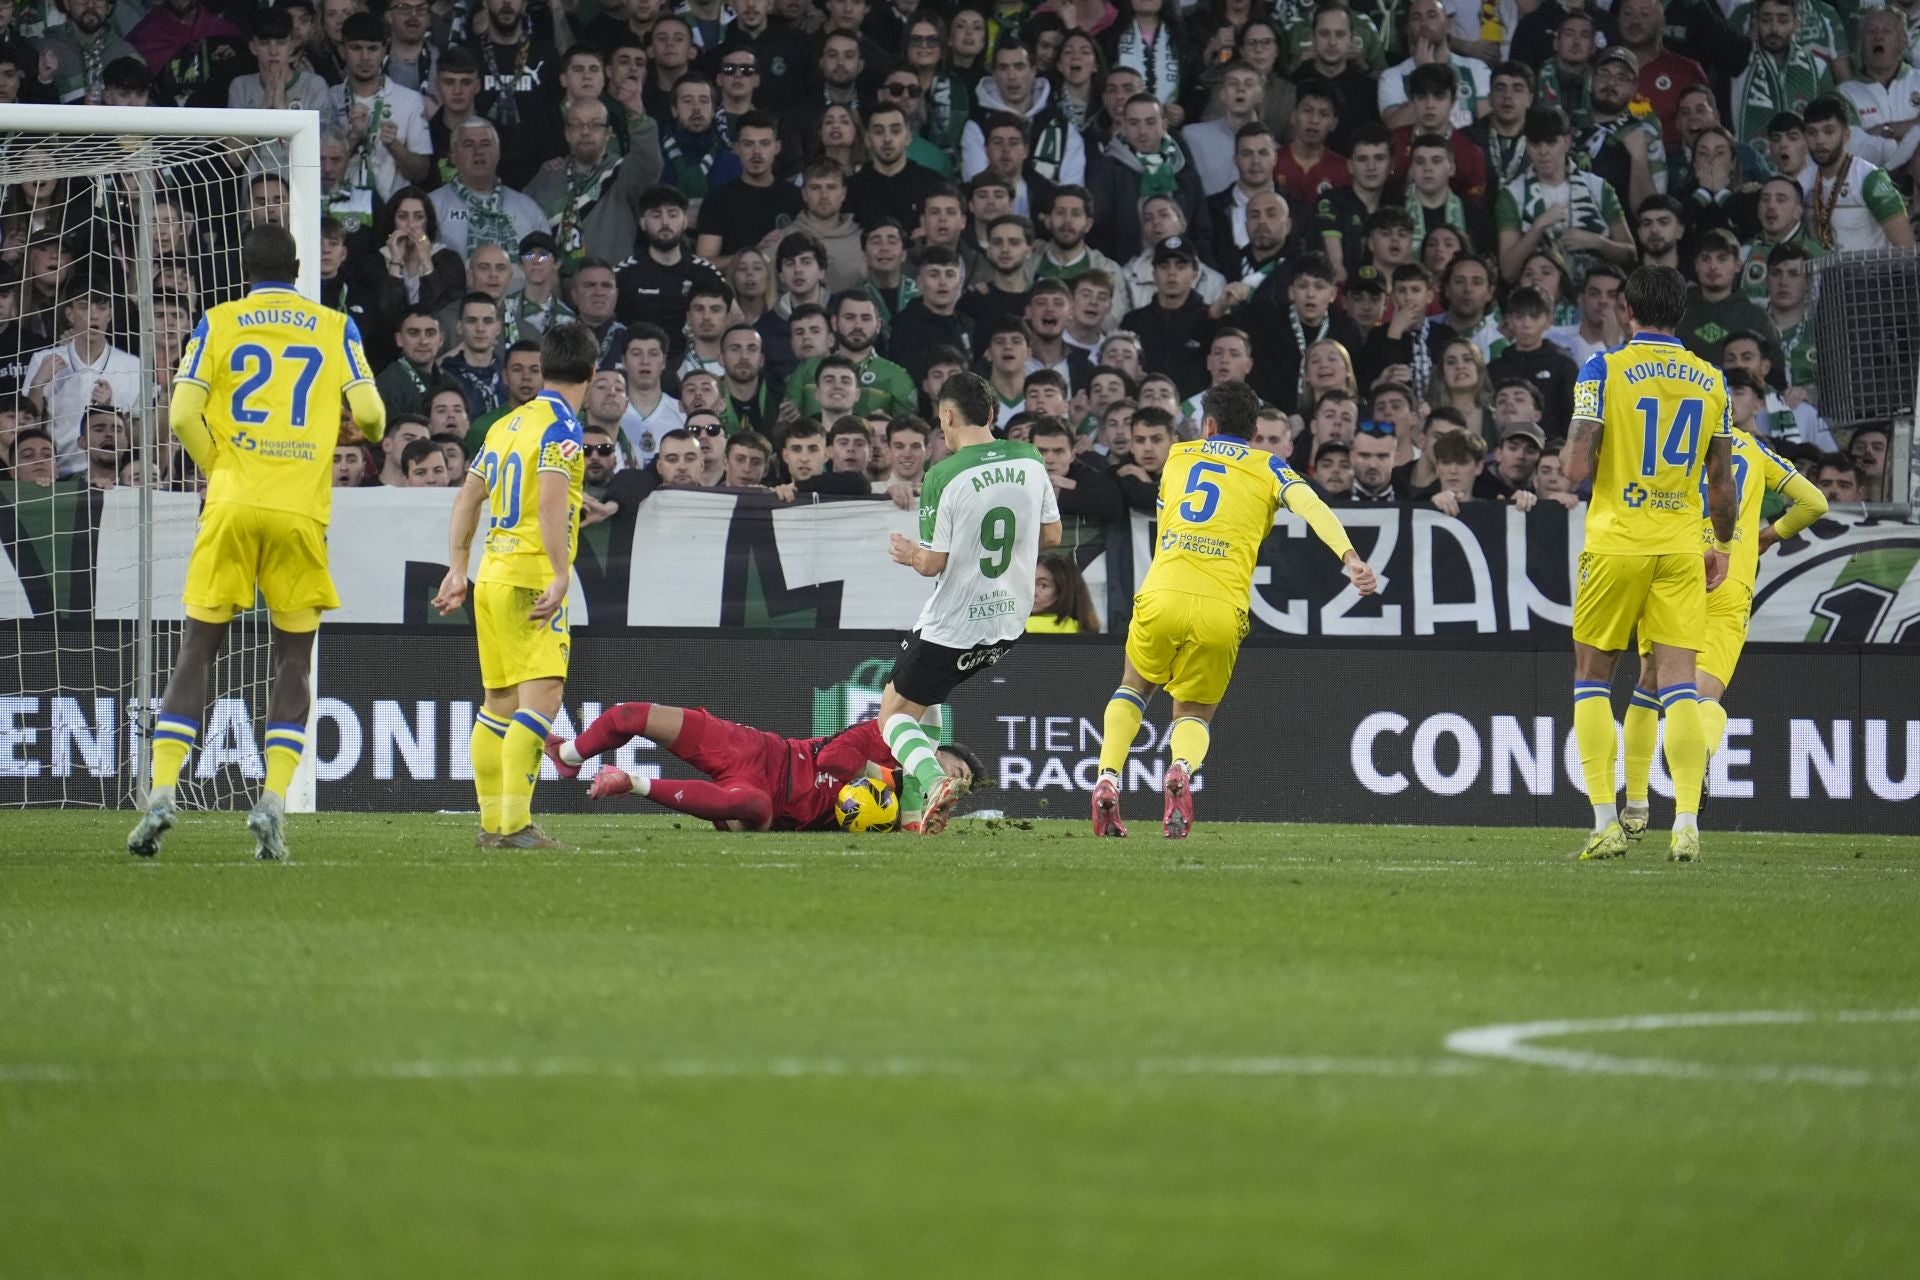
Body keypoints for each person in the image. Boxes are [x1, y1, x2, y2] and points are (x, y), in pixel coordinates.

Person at [126, 224, 388, 862]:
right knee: (293, 661)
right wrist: (340, 431)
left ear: (244, 268)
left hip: (232, 503)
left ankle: (162, 791)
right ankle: (272, 802)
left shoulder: (218, 321)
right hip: (300, 510)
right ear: (299, 269)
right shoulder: (334, 325)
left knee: (197, 653)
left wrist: (223, 468)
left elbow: (183, 415)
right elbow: (376, 417)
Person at [1092, 380, 1378, 839]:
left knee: (1134, 686)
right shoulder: (1270, 467)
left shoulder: (1179, 456)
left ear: (1208, 424)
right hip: (1222, 606)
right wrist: (1350, 556)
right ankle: (1180, 769)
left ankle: (1107, 776)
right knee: (1193, 712)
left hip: (1163, 590)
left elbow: (1167, 522)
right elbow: (1312, 504)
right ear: (1255, 428)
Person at [1562, 266, 1736, 865]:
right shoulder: (1712, 381)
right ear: (1680, 313)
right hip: (1683, 543)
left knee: (1592, 676)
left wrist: (1586, 449)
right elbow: (1722, 481)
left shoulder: (1602, 368)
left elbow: (1576, 466)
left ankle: (1606, 821)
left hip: (1617, 541)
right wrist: (1722, 544)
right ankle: (1685, 820)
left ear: (1628, 309)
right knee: (1680, 686)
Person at [430, 323, 600, 851]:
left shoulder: (505, 425)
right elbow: (551, 500)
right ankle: (517, 827)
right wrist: (558, 570)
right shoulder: (563, 428)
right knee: (541, 699)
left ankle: (492, 825)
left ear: (544, 369)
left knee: (498, 703)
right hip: (529, 575)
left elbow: (467, 498)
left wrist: (458, 567)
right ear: (591, 375)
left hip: (493, 574)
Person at [879, 371, 1063, 834]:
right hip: (1009, 623)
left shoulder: (942, 474)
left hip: (955, 622)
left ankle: (934, 780)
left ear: (946, 416)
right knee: (927, 701)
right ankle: (910, 817)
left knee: (894, 716)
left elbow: (931, 564)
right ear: (992, 414)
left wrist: (907, 554)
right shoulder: (1030, 457)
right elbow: (1053, 535)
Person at [545, 699, 982, 832]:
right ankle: (568, 755)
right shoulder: (886, 735)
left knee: (748, 808)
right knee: (631, 716)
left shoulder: (903, 810)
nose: (948, 782)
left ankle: (634, 784)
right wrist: (891, 776)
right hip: (763, 752)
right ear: (936, 751)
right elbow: (832, 758)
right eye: (954, 771)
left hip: (776, 804)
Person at [1029, 553, 1102, 632]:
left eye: (1043, 585)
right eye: (1029, 584)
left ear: (1064, 591)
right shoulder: (1084, 630)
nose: (1033, 593)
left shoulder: (1024, 628)